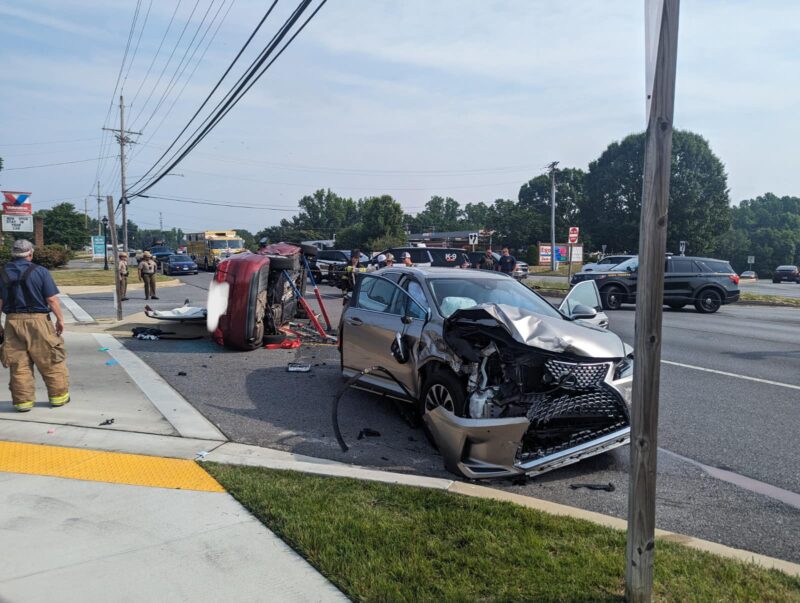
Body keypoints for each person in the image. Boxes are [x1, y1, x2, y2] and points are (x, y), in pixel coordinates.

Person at [0, 239, 70, 412]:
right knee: (50, 360)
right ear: (30, 253)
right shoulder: (41, 271)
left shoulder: (2, 273)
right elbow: (51, 299)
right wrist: (60, 320)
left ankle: (23, 402)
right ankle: (58, 398)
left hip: (12, 321)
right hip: (38, 321)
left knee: (19, 365)